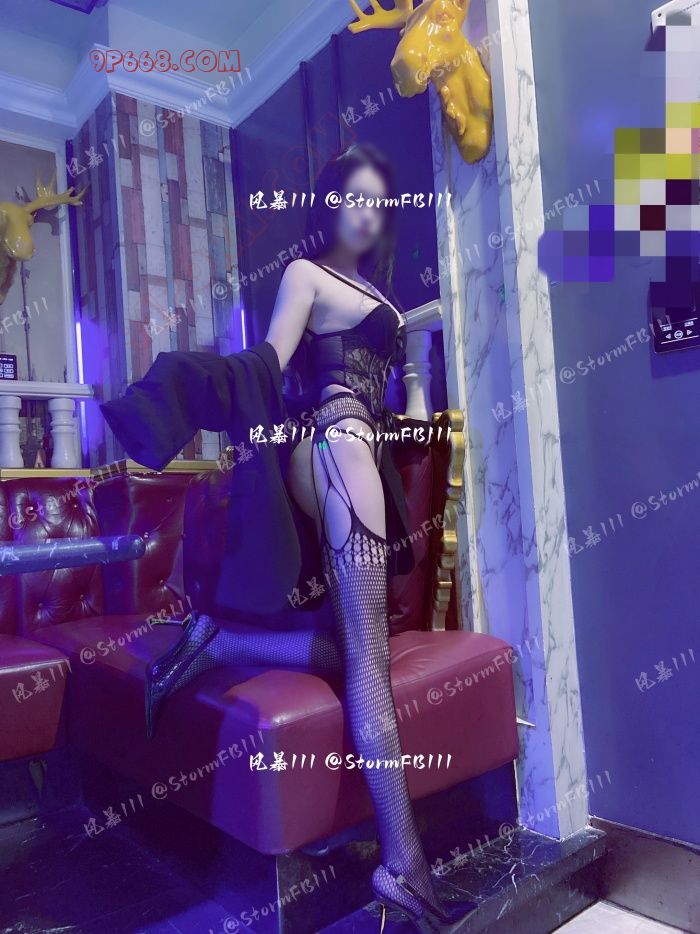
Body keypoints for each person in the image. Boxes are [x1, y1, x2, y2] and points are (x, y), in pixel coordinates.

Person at [107, 143, 472, 931]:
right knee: (370, 661)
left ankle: (217, 642)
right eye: (352, 196)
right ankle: (405, 867)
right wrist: (187, 383)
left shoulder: (376, 291)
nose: (366, 212)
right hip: (333, 442)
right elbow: (271, 363)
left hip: (361, 447)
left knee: (355, 650)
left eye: (377, 200)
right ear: (329, 204)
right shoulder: (306, 275)